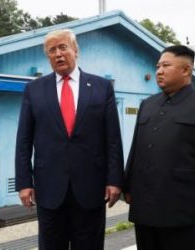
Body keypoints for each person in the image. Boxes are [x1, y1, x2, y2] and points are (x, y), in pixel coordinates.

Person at [15, 29, 124, 250]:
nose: (58, 54)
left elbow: (112, 138)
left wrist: (115, 180)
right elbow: (23, 141)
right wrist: (24, 183)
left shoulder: (101, 88)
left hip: (91, 187)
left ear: (75, 50)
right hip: (49, 187)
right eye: (51, 51)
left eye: (63, 47)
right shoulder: (34, 90)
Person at [124, 45, 195, 250]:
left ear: (186, 70)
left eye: (166, 65)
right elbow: (136, 147)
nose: (159, 71)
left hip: (185, 205)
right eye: (157, 66)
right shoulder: (148, 104)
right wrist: (128, 186)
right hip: (145, 204)